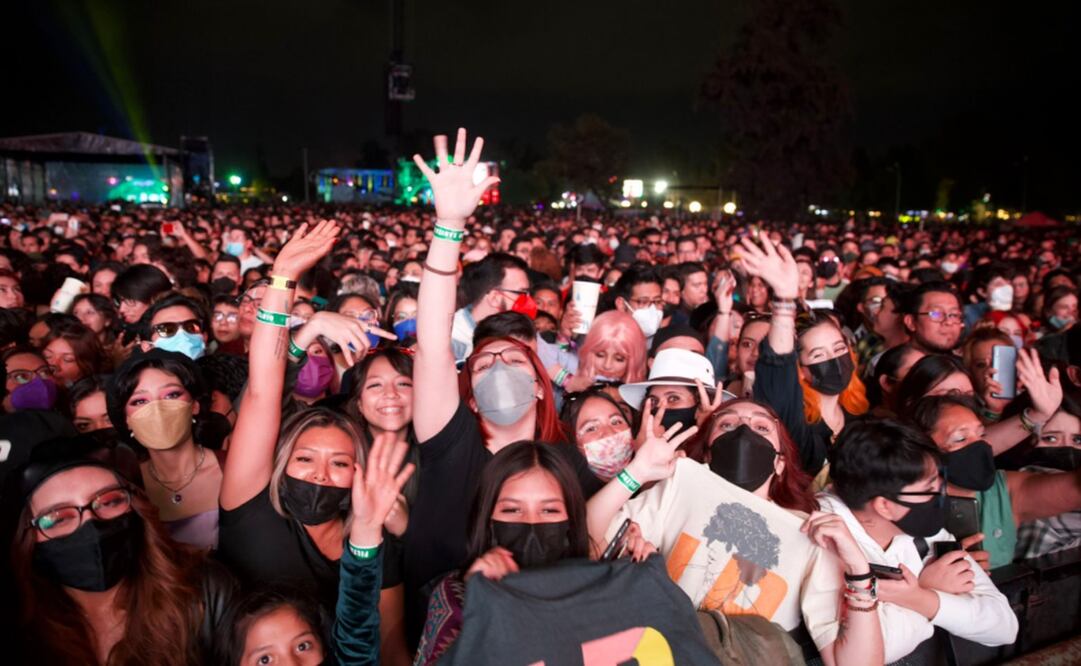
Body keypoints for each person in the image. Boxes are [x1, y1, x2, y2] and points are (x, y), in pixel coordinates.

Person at [406, 129, 603, 639]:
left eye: (513, 360)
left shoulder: (564, 462)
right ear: (465, 387)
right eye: (484, 361)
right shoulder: (450, 444)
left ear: (541, 386)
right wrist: (449, 225)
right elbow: (431, 343)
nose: (496, 367)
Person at [219, 220, 407, 643]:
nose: (321, 475)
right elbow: (263, 392)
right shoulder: (251, 511)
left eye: (339, 463)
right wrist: (284, 277)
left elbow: (390, 651)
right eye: (305, 459)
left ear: (358, 472)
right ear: (282, 463)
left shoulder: (372, 542)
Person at [585, 399, 884, 665]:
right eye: (727, 424)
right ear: (708, 454)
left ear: (780, 462)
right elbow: (588, 540)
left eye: (762, 427)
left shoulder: (810, 532)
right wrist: (636, 473)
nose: (744, 430)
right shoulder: (681, 484)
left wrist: (859, 570)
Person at [414, 440, 647, 665]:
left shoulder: (601, 591)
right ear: (487, 520)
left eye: (549, 510)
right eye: (512, 509)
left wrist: (637, 584)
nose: (531, 523)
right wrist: (482, 602)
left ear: (570, 521)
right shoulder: (455, 596)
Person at [8, 437, 235, 664]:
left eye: (109, 502)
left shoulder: (204, 590)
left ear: (138, 509)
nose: (90, 524)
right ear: (28, 536)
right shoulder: (17, 627)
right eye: (57, 518)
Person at [820, 419, 1018, 662]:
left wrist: (920, 597)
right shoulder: (823, 541)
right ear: (884, 505)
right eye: (929, 489)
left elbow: (1004, 626)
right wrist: (927, 592)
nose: (940, 496)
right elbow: (865, 656)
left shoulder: (923, 532)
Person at [739, 236, 868, 476]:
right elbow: (778, 365)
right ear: (800, 368)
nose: (834, 360)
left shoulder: (861, 419)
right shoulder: (795, 422)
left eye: (839, 350)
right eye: (819, 355)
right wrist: (785, 300)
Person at [911, 394, 1081, 569]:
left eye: (982, 435)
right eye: (960, 439)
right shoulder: (901, 505)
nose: (980, 447)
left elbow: (1075, 488)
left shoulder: (1002, 491)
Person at [106, 349, 223, 549]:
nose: (157, 409)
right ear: (126, 420)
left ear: (194, 405)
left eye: (172, 395)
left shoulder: (231, 467)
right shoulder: (123, 486)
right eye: (140, 401)